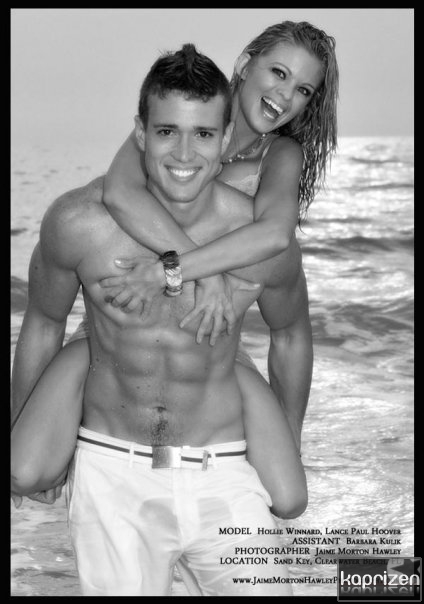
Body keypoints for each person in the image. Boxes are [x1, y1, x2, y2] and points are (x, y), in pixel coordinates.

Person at [11, 43, 312, 597]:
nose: (185, 153)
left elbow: (291, 333)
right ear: (140, 133)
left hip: (222, 469)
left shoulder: (255, 238)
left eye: (203, 134)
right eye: (167, 131)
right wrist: (26, 425)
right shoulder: (79, 223)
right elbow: (44, 323)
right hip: (111, 471)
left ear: (225, 138)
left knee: (287, 518)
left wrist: (290, 437)